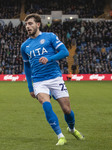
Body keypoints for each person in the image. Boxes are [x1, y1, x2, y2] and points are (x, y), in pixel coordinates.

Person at [21, 13, 84, 146]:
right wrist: (30, 87)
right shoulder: (24, 46)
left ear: (38, 24)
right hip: (39, 81)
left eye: (30, 23)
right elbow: (26, 67)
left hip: (55, 78)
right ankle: (60, 136)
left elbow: (65, 52)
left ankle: (71, 129)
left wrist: (49, 58)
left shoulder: (50, 36)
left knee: (67, 110)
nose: (27, 26)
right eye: (26, 24)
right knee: (46, 105)